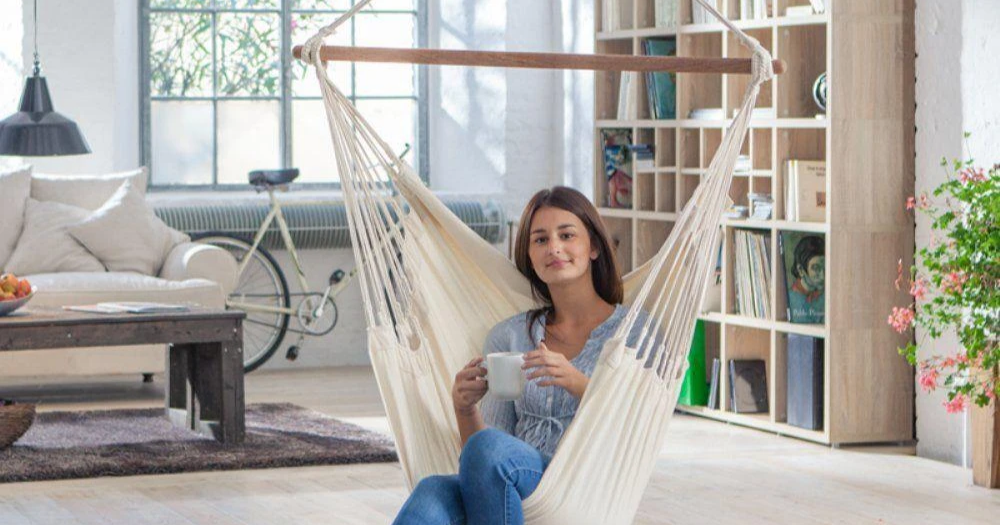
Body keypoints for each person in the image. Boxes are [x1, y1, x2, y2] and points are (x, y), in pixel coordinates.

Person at [393, 186, 652, 525]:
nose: (554, 248)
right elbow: (481, 457)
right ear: (529, 256)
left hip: (587, 486)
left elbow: (640, 422)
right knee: (432, 492)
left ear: (593, 247)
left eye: (566, 235)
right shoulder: (510, 335)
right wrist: (464, 407)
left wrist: (577, 382)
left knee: (488, 453)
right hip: (516, 482)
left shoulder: (633, 333)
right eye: (540, 240)